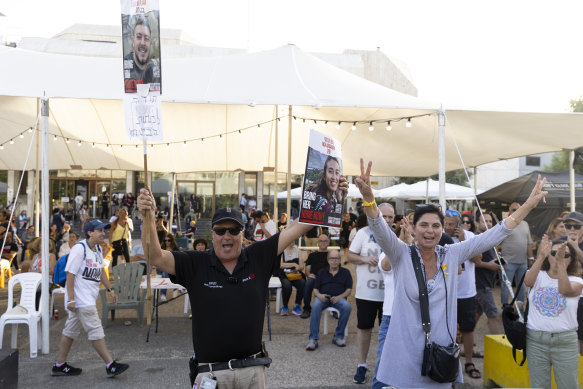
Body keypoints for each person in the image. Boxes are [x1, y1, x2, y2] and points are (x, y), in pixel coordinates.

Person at [137, 176, 347, 388]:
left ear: (242, 233)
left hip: (253, 372)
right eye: (220, 231)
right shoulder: (195, 262)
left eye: (234, 230)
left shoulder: (258, 256)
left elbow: (297, 227)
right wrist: (148, 216)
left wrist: (332, 196)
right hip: (212, 376)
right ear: (212, 234)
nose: (227, 236)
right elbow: (155, 256)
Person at [354, 158, 547, 388]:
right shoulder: (401, 254)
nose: (430, 231)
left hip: (440, 355)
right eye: (423, 225)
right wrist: (368, 197)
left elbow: (495, 234)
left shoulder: (451, 253)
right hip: (405, 351)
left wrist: (528, 205)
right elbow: (378, 227)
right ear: (413, 229)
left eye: (436, 225)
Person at [52, 219, 129, 377]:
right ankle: (110, 365)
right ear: (89, 232)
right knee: (95, 330)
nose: (103, 233)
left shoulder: (98, 250)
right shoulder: (80, 249)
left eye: (103, 230)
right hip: (81, 300)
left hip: (86, 298)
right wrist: (71, 299)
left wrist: (111, 289)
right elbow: (70, 274)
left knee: (70, 331)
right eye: (99, 230)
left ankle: (59, 365)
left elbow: (100, 271)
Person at [524, 236, 583, 389]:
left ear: (572, 259)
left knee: (568, 386)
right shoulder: (538, 275)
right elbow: (528, 281)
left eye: (565, 255)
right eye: (554, 252)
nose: (559, 256)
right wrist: (542, 255)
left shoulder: (578, 281)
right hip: (535, 340)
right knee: (539, 386)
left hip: (564, 342)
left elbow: (565, 290)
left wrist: (560, 264)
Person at [347, 203, 394, 384]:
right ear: (376, 215)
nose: (388, 220)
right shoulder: (363, 233)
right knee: (364, 329)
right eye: (385, 216)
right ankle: (362, 365)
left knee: (388, 333)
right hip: (366, 292)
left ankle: (385, 367)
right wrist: (365, 259)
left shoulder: (394, 236)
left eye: (391, 217)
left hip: (389, 296)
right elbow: (350, 256)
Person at [444, 209, 482, 379]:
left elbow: (477, 259)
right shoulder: (439, 235)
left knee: (467, 328)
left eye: (451, 224)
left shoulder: (470, 235)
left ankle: (468, 361)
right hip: (446, 292)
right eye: (445, 223)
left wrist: (462, 241)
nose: (447, 227)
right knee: (446, 329)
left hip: (466, 292)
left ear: (458, 224)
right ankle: (446, 362)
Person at [305, 249, 352, 350]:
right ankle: (313, 339)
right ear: (328, 260)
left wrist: (340, 297)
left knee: (347, 307)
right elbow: (315, 289)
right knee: (316, 306)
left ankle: (338, 336)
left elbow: (349, 290)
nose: (334, 261)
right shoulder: (321, 272)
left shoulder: (346, 272)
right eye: (332, 258)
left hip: (339, 298)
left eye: (337, 258)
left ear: (340, 260)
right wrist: (320, 296)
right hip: (323, 297)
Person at [473, 211, 503, 335]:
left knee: (477, 313)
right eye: (485, 221)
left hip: (485, 283)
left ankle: (465, 343)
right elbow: (474, 261)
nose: (489, 224)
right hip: (481, 284)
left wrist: (499, 263)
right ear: (476, 223)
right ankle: (500, 348)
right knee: (493, 315)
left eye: (490, 221)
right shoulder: (476, 238)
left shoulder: (488, 238)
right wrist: (490, 265)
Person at [500, 202, 534, 306]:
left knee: (521, 287)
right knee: (506, 287)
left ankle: (520, 308)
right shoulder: (505, 223)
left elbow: (528, 242)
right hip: (508, 262)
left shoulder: (525, 224)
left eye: (519, 209)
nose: (517, 211)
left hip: (522, 262)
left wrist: (531, 257)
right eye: (514, 209)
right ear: (510, 212)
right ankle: (505, 308)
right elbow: (496, 242)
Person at [371, 252, 395, 389]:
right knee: (384, 362)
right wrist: (401, 243)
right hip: (391, 316)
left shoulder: (423, 252)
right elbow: (386, 266)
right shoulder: (387, 253)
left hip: (415, 317)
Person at [123, 14, 161, 93]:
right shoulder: (125, 64)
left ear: (150, 43)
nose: (143, 43)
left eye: (146, 38)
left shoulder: (154, 70)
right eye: (139, 37)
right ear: (133, 40)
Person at [300, 234, 331, 319]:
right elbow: (307, 270)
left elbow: (336, 269)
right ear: (318, 243)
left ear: (328, 243)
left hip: (327, 278)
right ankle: (307, 309)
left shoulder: (331, 255)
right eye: (321, 241)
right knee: (308, 283)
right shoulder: (312, 255)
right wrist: (309, 274)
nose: (323, 243)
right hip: (315, 278)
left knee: (336, 284)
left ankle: (334, 308)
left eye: (325, 241)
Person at [278, 242, 305, 316]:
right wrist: (293, 264)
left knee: (302, 283)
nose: (292, 241)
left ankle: (297, 305)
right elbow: (280, 265)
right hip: (284, 274)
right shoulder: (281, 250)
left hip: (295, 274)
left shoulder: (297, 251)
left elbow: (302, 266)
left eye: (294, 239)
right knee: (287, 285)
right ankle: (285, 306)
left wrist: (297, 268)